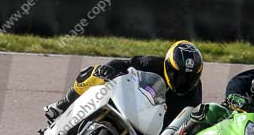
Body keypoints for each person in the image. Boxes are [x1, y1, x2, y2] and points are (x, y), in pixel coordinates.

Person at [44, 39, 204, 128]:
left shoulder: (194, 96)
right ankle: (62, 105)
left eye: (189, 77)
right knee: (95, 74)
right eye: (178, 74)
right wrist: (108, 70)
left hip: (145, 129)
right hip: (124, 100)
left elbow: (186, 122)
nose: (183, 81)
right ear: (168, 65)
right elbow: (121, 64)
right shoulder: (151, 63)